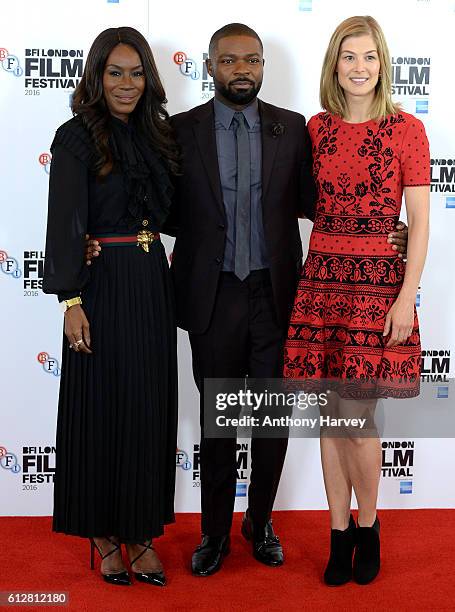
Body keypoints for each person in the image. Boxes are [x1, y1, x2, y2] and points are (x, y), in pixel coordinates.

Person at [85, 22, 408, 578]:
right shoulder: (179, 131)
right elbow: (153, 204)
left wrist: (391, 228)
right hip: (211, 296)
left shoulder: (293, 129)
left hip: (280, 296)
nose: (243, 70)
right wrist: (99, 237)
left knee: (271, 422)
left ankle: (260, 523)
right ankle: (214, 533)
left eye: (252, 60)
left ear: (264, 66)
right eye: (230, 60)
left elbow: (323, 199)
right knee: (218, 423)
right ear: (210, 66)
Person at [284, 15, 430, 586]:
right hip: (322, 282)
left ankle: (369, 525)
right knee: (328, 414)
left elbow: (419, 223)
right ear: (334, 65)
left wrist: (405, 295)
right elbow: (293, 201)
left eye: (370, 57)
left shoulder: (406, 130)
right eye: (349, 57)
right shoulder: (314, 130)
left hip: (376, 289)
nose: (360, 67)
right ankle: (338, 532)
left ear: (383, 63)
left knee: (356, 414)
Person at [43, 27, 179, 587]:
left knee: (148, 406)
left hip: (150, 283)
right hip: (96, 286)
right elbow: (66, 221)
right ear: (97, 75)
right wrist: (70, 298)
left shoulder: (157, 135)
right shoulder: (75, 137)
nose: (127, 84)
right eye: (116, 72)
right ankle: (102, 535)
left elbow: (176, 215)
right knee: (99, 406)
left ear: (150, 78)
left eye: (137, 72)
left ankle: (142, 532)